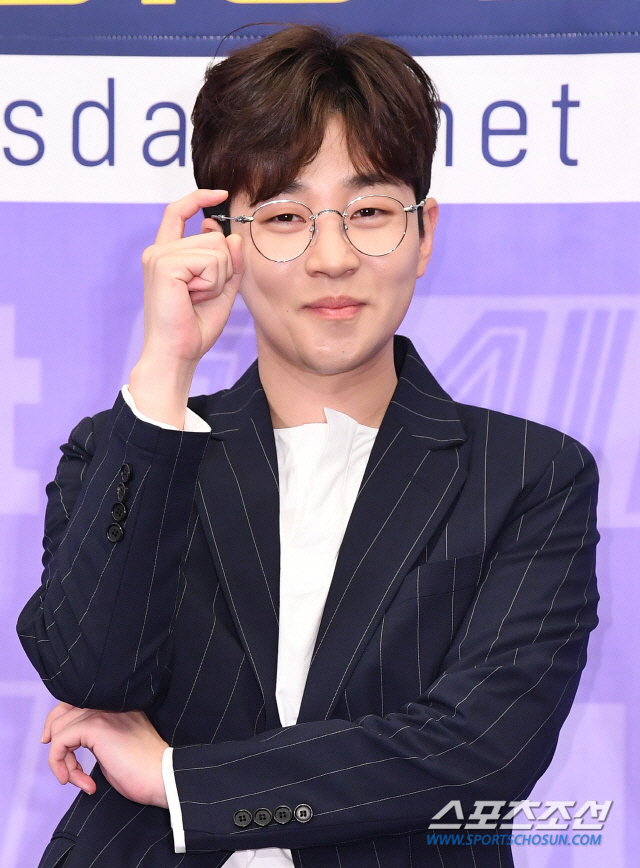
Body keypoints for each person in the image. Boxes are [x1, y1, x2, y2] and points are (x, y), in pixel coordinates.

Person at [17, 24, 599, 868]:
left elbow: (478, 752)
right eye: (286, 217)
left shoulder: (528, 476)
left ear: (425, 233)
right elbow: (91, 672)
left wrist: (181, 780)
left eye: (370, 213)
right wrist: (165, 367)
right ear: (224, 238)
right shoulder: (129, 447)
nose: (333, 257)